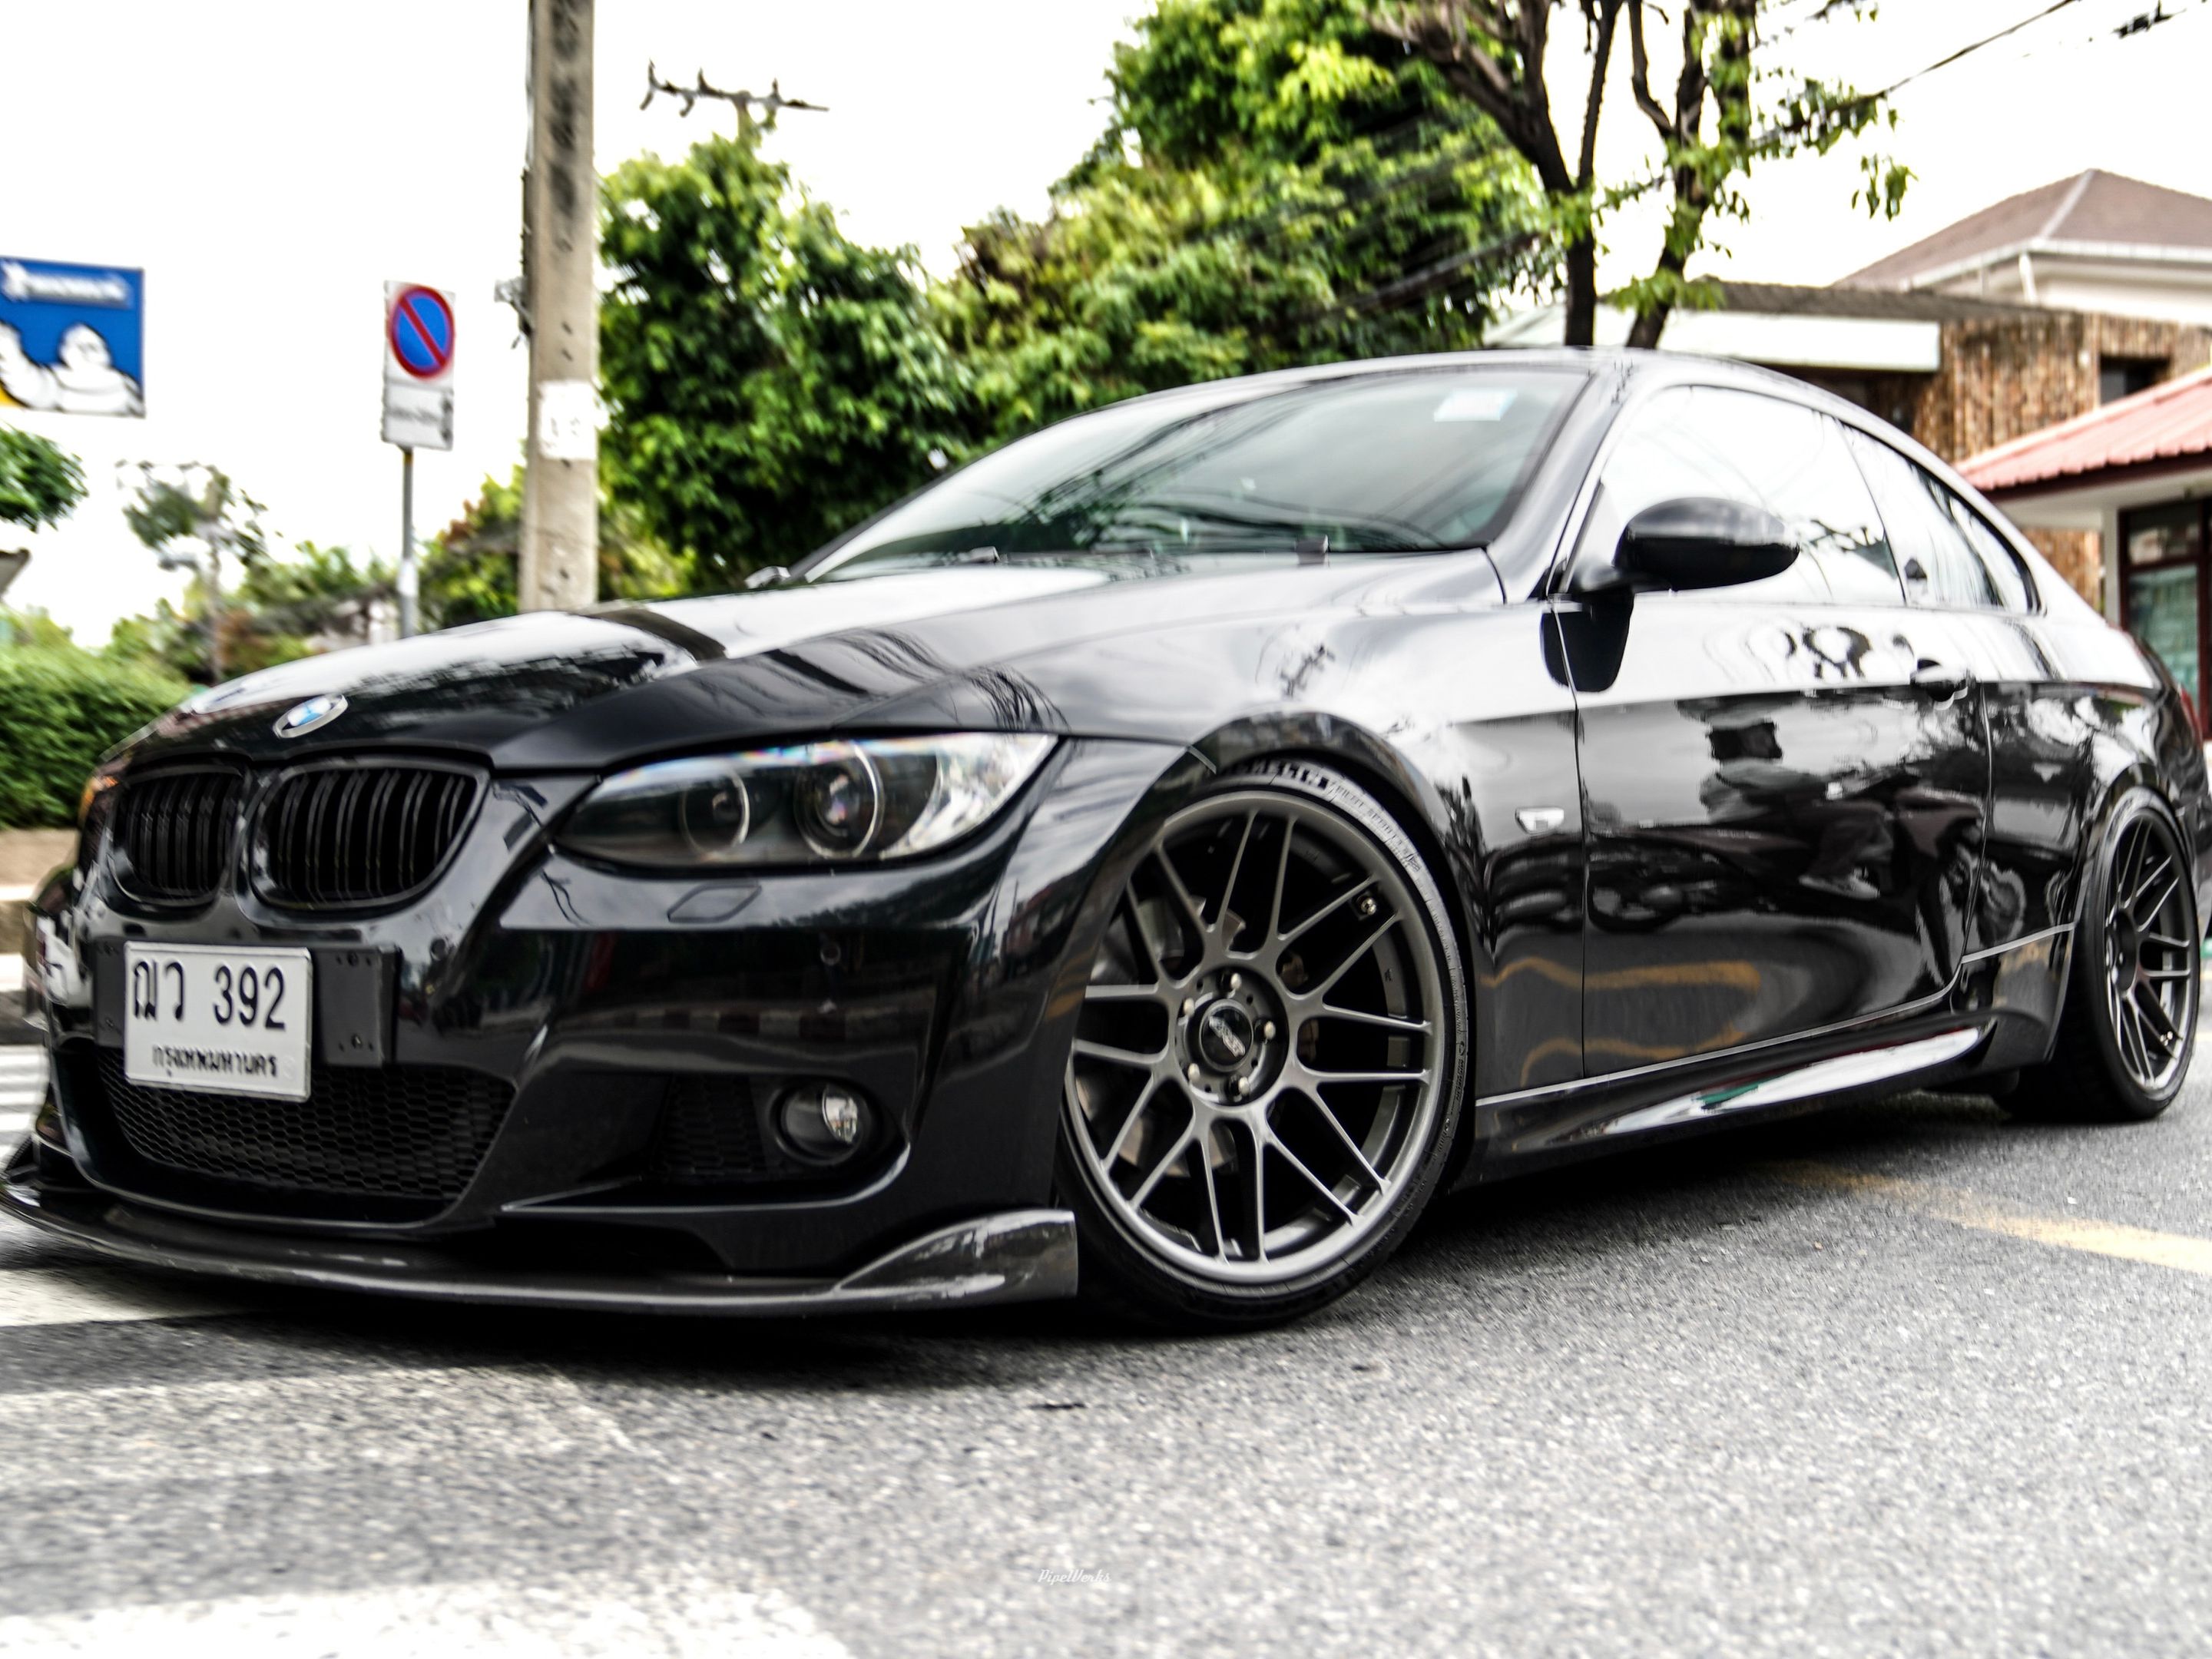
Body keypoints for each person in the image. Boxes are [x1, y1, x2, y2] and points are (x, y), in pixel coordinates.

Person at [0, 321, 144, 416]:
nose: (87, 350)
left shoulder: (125, 384)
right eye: (79, 345)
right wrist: (10, 350)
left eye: (94, 345)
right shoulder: (56, 380)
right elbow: (28, 385)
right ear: (66, 353)